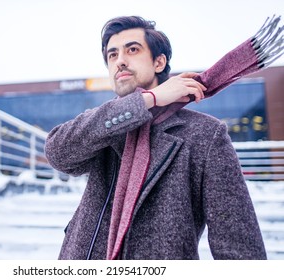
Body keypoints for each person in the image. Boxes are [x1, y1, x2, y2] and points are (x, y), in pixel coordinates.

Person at [45, 16, 267, 260]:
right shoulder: (105, 125)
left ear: (159, 62)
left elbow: (239, 247)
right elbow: (58, 153)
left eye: (132, 49)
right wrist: (148, 99)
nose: (120, 61)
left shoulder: (205, 135)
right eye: (112, 55)